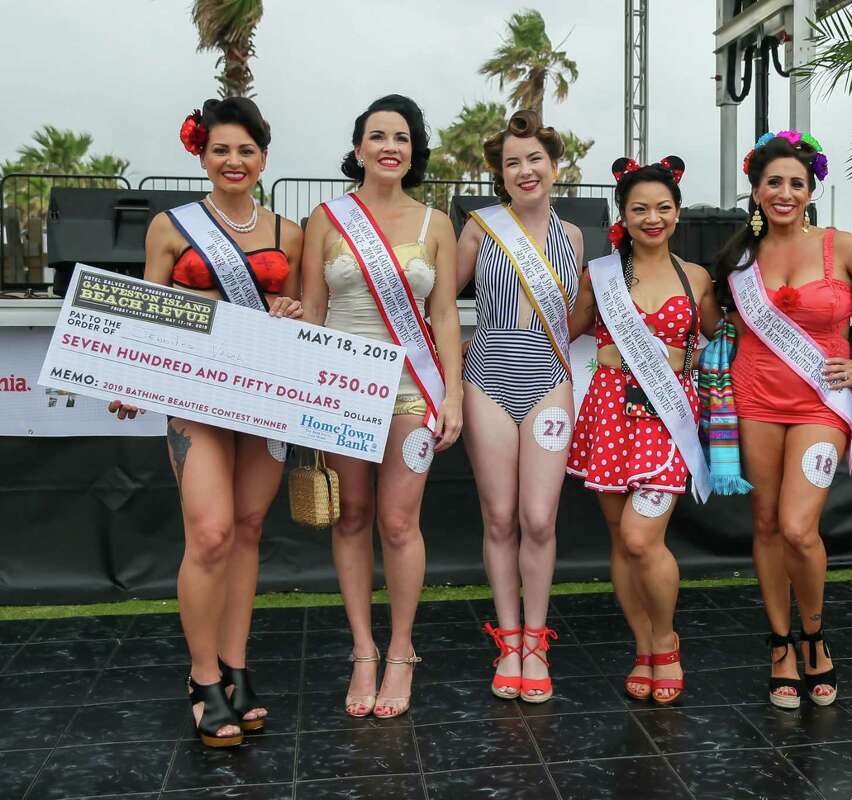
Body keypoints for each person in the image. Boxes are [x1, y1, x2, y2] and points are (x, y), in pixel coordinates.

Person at [713, 131, 852, 709]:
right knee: (763, 524)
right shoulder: (739, 256)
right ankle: (779, 643)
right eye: (774, 182)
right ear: (756, 189)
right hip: (753, 399)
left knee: (797, 528)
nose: (785, 193)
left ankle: (814, 634)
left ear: (811, 191)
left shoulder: (842, 247)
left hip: (820, 404)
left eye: (796, 184)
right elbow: (713, 323)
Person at [111, 97, 303, 747]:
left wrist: (294, 313)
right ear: (202, 155)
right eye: (221, 149)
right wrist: (129, 376)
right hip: (195, 397)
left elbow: (295, 309)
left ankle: (237, 667)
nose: (234, 160)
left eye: (246, 150)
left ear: (264, 159)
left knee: (248, 531)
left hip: (264, 398)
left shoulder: (288, 231)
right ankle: (202, 679)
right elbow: (147, 308)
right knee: (212, 534)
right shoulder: (171, 226)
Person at [301, 94, 462, 718]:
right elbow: (313, 310)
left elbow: (445, 314)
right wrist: (300, 395)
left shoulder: (436, 224)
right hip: (339, 390)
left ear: (413, 150)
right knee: (351, 518)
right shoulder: (326, 218)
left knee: (398, 524)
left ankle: (400, 651)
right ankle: (362, 650)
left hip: (409, 393)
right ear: (360, 147)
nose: (389, 146)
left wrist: (449, 392)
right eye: (378, 135)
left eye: (401, 137)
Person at [568, 156, 722, 705]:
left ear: (678, 213)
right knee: (621, 541)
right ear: (623, 216)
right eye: (640, 209)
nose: (652, 217)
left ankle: (667, 641)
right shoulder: (601, 275)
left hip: (667, 418)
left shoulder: (697, 277)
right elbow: (570, 328)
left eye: (663, 207)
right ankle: (643, 649)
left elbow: (719, 339)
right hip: (610, 414)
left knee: (640, 538)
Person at [456, 110, 583, 702]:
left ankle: (538, 639)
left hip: (549, 383)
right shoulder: (480, 229)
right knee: (500, 516)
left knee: (540, 519)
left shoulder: (575, 237)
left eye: (535, 158)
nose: (525, 170)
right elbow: (434, 299)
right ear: (499, 175)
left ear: (554, 165)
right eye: (512, 163)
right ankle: (508, 641)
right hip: (486, 380)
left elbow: (575, 318)